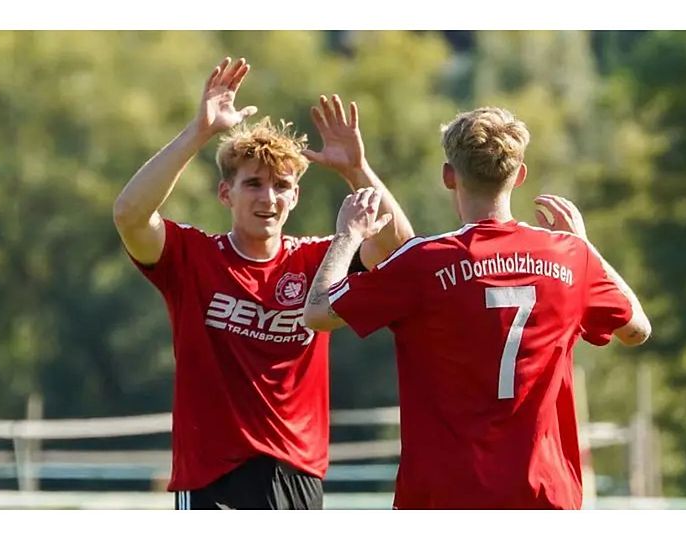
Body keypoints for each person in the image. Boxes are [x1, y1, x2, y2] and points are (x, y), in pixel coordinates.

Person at [303, 107, 651, 509]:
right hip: (543, 496)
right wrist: (586, 247)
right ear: (519, 175)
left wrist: (348, 236)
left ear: (449, 175)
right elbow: (636, 329)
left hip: (445, 498)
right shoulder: (570, 257)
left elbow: (317, 314)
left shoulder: (425, 261)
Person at [112, 56, 413, 510]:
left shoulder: (321, 259)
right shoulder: (192, 257)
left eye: (280, 186)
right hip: (212, 475)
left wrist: (357, 170)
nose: (267, 198)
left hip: (295, 474)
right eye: (253, 184)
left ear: (295, 195)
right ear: (225, 193)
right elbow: (129, 215)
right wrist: (199, 131)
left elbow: (399, 247)